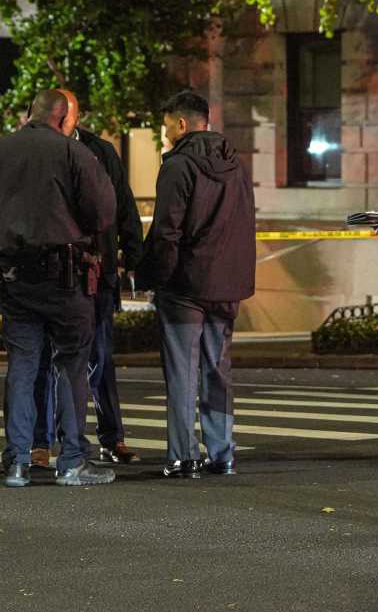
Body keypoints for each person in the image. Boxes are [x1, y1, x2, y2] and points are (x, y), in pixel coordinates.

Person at [0, 88, 116, 488]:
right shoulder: (73, 154)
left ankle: (17, 461)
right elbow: (104, 211)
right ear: (63, 117)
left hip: (15, 279)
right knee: (71, 365)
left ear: (29, 113)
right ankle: (71, 460)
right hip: (65, 278)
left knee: (22, 365)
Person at [138, 90, 255, 479]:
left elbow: (167, 231)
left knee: (181, 371)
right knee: (217, 370)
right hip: (226, 285)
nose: (165, 132)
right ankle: (222, 453)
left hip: (185, 286)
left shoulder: (177, 166)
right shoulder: (235, 164)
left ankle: (182, 455)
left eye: (167, 124)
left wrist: (153, 276)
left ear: (182, 123)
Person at [31, 90, 145, 467]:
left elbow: (124, 206)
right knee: (49, 360)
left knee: (100, 357)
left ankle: (112, 437)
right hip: (55, 272)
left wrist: (132, 255)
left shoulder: (102, 152)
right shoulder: (37, 149)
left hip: (99, 271)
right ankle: (42, 442)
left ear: (75, 117)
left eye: (69, 113)